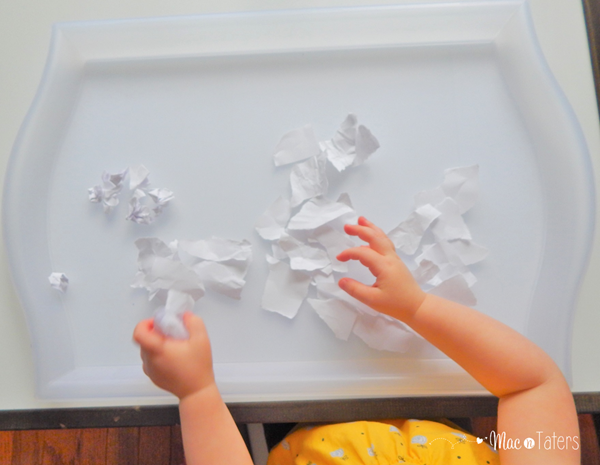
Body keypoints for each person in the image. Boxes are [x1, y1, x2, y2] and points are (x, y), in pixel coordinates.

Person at [133, 217, 580, 465]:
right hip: (434, 418)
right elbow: (532, 386)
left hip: (293, 433)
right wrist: (417, 307)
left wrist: (197, 394)